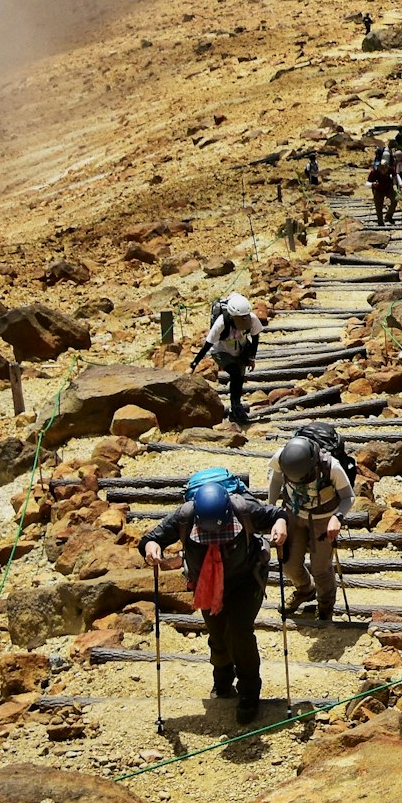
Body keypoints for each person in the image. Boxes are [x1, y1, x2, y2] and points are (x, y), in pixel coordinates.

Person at [141, 480, 273, 724]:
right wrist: (152, 548)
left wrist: (281, 527)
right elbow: (151, 538)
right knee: (218, 633)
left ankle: (249, 693)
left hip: (246, 579)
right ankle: (222, 678)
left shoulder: (244, 509)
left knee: (239, 632)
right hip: (207, 583)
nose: (214, 540)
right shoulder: (185, 515)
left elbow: (277, 515)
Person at [268, 432, 355, 621]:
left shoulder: (331, 466)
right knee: (289, 564)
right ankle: (305, 590)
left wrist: (337, 518)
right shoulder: (281, 458)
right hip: (293, 512)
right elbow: (275, 481)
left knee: (321, 569)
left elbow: (348, 496)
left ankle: (325, 607)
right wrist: (273, 514)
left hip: (324, 518)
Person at [192, 294, 262, 427]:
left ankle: (236, 405)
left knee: (240, 377)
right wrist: (193, 364)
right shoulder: (221, 322)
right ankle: (235, 406)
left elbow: (255, 338)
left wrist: (251, 358)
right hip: (221, 351)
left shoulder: (251, 318)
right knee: (235, 373)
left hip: (240, 349)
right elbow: (207, 344)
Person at [369, 144, 398, 226]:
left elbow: (395, 176)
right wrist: (373, 184)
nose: (384, 170)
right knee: (378, 205)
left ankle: (389, 216)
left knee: (395, 200)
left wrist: (395, 184)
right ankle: (380, 221)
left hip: (388, 188)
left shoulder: (390, 169)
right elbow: (368, 183)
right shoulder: (374, 172)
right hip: (378, 189)